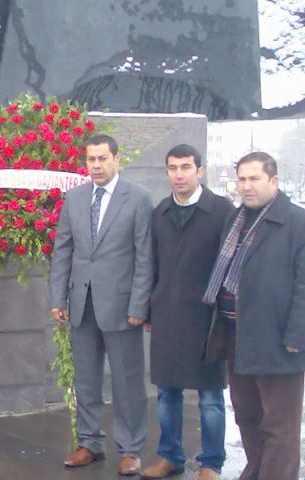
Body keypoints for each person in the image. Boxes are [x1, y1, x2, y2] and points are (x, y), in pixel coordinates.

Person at [49, 134, 153, 475]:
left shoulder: (138, 198)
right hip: (81, 304)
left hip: (122, 307)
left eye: (102, 158)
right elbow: (63, 250)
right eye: (90, 159)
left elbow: (145, 256)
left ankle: (130, 449)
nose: (95, 165)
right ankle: (89, 442)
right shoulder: (75, 198)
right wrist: (57, 297)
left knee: (127, 381)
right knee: (85, 380)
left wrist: (139, 305)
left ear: (116, 158)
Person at [203, 152, 305, 480]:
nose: (246, 186)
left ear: (273, 181)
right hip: (237, 335)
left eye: (254, 179)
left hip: (278, 340)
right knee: (247, 415)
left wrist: (297, 336)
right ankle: (257, 470)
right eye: (242, 179)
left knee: (279, 425)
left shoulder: (296, 222)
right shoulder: (236, 219)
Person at [142, 145, 233, 480]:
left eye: (185, 167)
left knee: (210, 397)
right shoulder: (161, 212)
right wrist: (148, 308)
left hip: (207, 317)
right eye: (172, 168)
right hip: (167, 313)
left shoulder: (221, 210)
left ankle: (211, 463)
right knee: (167, 392)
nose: (178, 174)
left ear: (200, 171)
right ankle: (170, 456)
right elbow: (151, 264)